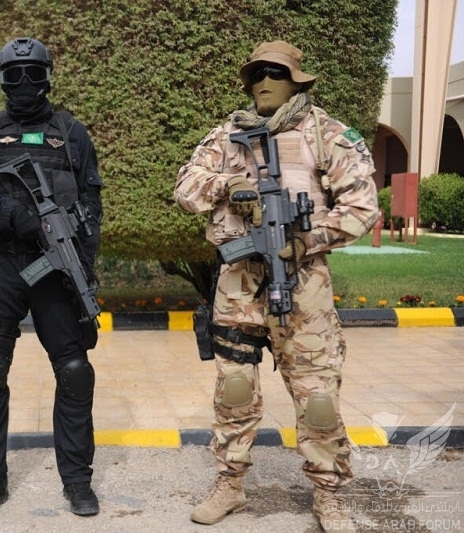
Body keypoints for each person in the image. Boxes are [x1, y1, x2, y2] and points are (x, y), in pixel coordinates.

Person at [174, 41, 379, 532]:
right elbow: (185, 187)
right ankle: (231, 484)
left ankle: (328, 493)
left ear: (296, 81)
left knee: (318, 397)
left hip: (303, 283)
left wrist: (306, 240)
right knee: (235, 390)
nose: (263, 81)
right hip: (239, 283)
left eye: (275, 72)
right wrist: (227, 185)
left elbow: (362, 206)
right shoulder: (227, 135)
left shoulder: (327, 135)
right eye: (257, 73)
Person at [0, 37, 103, 520]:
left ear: (47, 77)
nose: (23, 83)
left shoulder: (71, 132)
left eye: (32, 73)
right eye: (14, 75)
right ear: (2, 80)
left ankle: (77, 481)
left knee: (74, 370)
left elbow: (92, 203)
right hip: (3, 262)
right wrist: (12, 215)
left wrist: (82, 264)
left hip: (58, 266)